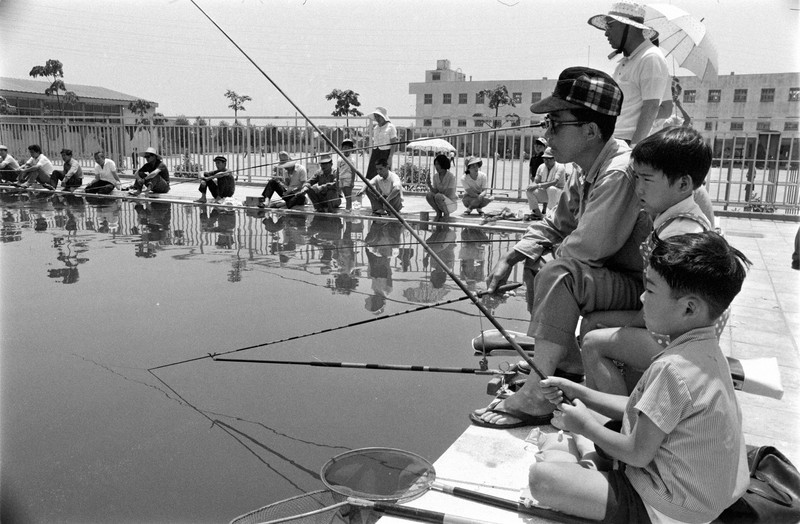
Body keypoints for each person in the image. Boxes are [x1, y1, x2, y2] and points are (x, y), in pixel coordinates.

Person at [470, 66, 651, 429]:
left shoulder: (617, 172)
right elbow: (556, 223)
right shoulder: (584, 168)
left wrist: (549, 260)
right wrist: (512, 255)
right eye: (546, 124)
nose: (547, 134)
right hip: (613, 280)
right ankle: (564, 365)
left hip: (644, 292)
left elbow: (588, 248)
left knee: (559, 272)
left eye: (554, 124)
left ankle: (537, 393)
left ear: (590, 130)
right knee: (536, 260)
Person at [530, 231, 751, 523]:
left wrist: (584, 426)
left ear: (689, 308)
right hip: (699, 497)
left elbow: (637, 454)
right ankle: (589, 461)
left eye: (652, 290)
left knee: (542, 478)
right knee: (586, 429)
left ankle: (587, 463)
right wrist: (578, 391)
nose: (642, 297)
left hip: (666, 508)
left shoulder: (673, 369)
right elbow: (644, 410)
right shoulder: (706, 352)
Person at [580, 126, 714, 395]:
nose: (638, 188)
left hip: (678, 336)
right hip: (675, 323)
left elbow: (664, 303)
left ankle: (616, 414)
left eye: (647, 179)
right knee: (592, 323)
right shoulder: (673, 218)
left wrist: (627, 328)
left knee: (594, 341)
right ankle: (597, 399)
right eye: (636, 177)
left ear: (683, 184)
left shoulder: (680, 233)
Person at [588, 1, 669, 146]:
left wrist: (633, 150)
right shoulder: (626, 62)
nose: (606, 33)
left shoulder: (650, 57)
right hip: (615, 141)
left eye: (610, 25)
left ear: (629, 26)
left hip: (628, 143)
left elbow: (651, 108)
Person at [525, 147, 566, 220]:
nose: (546, 161)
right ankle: (537, 213)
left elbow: (554, 182)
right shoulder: (541, 167)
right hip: (546, 193)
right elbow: (536, 181)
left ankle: (550, 214)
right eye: (545, 159)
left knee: (551, 189)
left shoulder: (560, 167)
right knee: (529, 190)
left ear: (554, 158)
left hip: (559, 194)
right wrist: (532, 186)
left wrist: (538, 185)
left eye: (549, 159)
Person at [365, 107, 397, 180]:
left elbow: (393, 143)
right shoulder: (376, 128)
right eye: (376, 117)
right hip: (376, 152)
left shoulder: (391, 127)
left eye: (379, 116)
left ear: (383, 117)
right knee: (373, 175)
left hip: (385, 153)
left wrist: (390, 157)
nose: (377, 118)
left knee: (383, 175)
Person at [425, 153, 458, 220]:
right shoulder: (435, 177)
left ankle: (446, 214)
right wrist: (429, 185)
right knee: (429, 195)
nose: (436, 166)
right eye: (435, 164)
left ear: (443, 164)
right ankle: (438, 212)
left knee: (438, 196)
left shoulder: (451, 177)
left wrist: (438, 195)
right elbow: (435, 191)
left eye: (438, 164)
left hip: (450, 204)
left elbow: (449, 193)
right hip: (440, 201)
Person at [337, 138, 357, 210]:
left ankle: (348, 208)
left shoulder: (351, 160)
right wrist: (337, 180)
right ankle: (348, 208)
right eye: (345, 147)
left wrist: (352, 182)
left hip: (348, 179)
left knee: (348, 195)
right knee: (345, 195)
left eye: (349, 148)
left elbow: (353, 171)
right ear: (342, 148)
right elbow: (338, 170)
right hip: (341, 178)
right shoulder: (340, 159)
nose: (347, 150)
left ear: (351, 149)